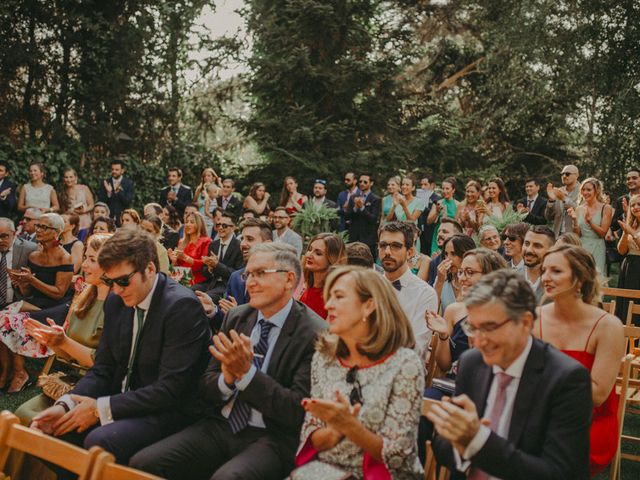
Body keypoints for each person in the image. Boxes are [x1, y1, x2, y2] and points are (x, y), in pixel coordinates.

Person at [130, 242, 326, 480]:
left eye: (260, 273)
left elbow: (296, 411)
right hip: (220, 423)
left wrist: (247, 375)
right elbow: (205, 383)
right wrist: (228, 379)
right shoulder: (238, 316)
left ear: (289, 280)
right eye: (248, 274)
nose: (249, 282)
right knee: (142, 463)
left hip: (272, 435)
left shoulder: (314, 333)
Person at [31, 228, 211, 466]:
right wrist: (67, 405)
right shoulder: (117, 300)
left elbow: (171, 389)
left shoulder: (181, 307)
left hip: (168, 409)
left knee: (99, 441)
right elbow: (103, 368)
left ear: (149, 268)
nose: (115, 290)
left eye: (123, 281)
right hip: (121, 399)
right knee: (51, 433)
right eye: (109, 281)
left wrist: (100, 408)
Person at [428, 269, 592, 479]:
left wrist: (478, 441)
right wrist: (457, 439)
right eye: (473, 328)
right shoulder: (472, 363)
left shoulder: (566, 379)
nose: (478, 341)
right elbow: (442, 446)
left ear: (524, 323)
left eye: (489, 328)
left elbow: (560, 473)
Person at [295, 266, 424, 479]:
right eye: (329, 297)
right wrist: (335, 429)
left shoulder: (404, 364)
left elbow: (400, 455)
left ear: (369, 306)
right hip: (325, 472)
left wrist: (350, 427)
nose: (328, 305)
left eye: (338, 297)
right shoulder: (324, 358)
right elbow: (310, 436)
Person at [537, 244, 624, 475]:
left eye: (556, 271)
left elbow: (596, 395)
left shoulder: (607, 326)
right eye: (544, 270)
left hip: (587, 424)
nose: (546, 277)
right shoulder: (534, 318)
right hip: (539, 415)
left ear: (580, 278)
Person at [419, 248, 508, 460]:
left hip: (487, 388)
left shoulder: (505, 313)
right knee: (420, 408)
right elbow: (443, 364)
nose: (463, 278)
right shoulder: (454, 310)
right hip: (451, 385)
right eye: (461, 273)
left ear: (489, 276)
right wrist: (442, 336)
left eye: (470, 273)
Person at [16, 234, 112, 423]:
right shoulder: (85, 296)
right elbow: (65, 355)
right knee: (21, 414)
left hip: (97, 390)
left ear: (111, 265)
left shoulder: (118, 306)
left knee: (36, 421)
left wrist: (64, 342)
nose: (83, 265)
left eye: (92, 259)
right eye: (85, 257)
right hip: (69, 382)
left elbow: (107, 365)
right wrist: (52, 341)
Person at [378, 222, 438, 356]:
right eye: (383, 245)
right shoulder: (368, 287)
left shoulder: (425, 294)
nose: (387, 252)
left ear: (410, 252)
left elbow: (416, 349)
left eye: (395, 246)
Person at [569, 177, 612, 274]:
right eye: (583, 190)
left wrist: (590, 222)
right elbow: (577, 234)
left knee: (596, 276)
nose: (585, 193)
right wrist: (574, 220)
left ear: (596, 191)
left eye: (588, 190)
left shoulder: (606, 208)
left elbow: (602, 234)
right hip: (582, 246)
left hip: (597, 247)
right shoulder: (579, 209)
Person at [300, 233, 347, 319]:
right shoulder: (307, 288)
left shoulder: (332, 296)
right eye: (310, 249)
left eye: (318, 253)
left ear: (332, 260)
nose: (309, 255)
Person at [198, 211, 243, 301]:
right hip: (211, 283)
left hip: (226, 285)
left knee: (202, 299)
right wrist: (209, 268)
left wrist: (217, 265)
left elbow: (237, 274)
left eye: (224, 226)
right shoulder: (213, 245)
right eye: (218, 225)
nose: (220, 228)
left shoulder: (239, 246)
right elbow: (204, 271)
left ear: (233, 228)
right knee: (189, 292)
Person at [433, 234, 476, 312]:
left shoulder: (477, 280)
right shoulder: (441, 280)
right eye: (446, 254)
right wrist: (439, 282)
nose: (448, 259)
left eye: (453, 254)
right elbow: (432, 310)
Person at [168, 211, 211, 286]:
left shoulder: (206, 241)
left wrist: (185, 258)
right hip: (180, 277)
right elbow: (177, 267)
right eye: (186, 222)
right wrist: (174, 261)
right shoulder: (181, 241)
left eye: (192, 222)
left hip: (197, 280)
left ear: (199, 224)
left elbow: (204, 264)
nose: (188, 224)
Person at [616, 193, 640, 324]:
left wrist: (633, 233)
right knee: (625, 303)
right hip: (628, 266)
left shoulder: (633, 230)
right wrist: (625, 233)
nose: (635, 207)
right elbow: (621, 250)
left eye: (639, 204)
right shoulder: (631, 225)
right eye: (633, 205)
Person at [345, 173, 381, 257]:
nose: (362, 184)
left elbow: (373, 219)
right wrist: (355, 208)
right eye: (360, 181)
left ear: (371, 183)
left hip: (368, 238)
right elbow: (347, 216)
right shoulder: (353, 197)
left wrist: (362, 208)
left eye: (365, 182)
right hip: (354, 237)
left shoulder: (375, 199)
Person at [387, 175, 426, 250]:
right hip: (398, 235)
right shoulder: (398, 199)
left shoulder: (419, 202)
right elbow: (388, 219)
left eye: (407, 185)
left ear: (413, 188)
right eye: (403, 184)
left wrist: (404, 206)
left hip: (411, 236)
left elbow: (412, 221)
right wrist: (394, 205)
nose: (404, 186)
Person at [523, 225, 556, 303]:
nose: (529, 250)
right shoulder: (509, 277)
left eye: (537, 246)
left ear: (551, 250)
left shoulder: (557, 282)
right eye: (526, 244)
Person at [545, 164, 581, 236]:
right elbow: (548, 217)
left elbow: (581, 213)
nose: (564, 176)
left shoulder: (583, 191)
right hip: (557, 236)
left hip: (574, 236)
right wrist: (551, 201)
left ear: (577, 175)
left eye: (567, 174)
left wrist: (564, 199)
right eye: (562, 174)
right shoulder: (558, 191)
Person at [427, 177, 459, 255]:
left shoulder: (458, 204)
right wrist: (437, 212)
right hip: (438, 237)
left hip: (452, 237)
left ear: (453, 190)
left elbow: (459, 224)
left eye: (447, 189)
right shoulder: (438, 203)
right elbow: (428, 221)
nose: (444, 191)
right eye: (443, 188)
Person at [98, 159, 134, 227]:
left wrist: (118, 192)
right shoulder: (106, 183)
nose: (114, 171)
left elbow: (128, 202)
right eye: (112, 169)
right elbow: (101, 202)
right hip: (108, 218)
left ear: (122, 171)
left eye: (117, 170)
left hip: (122, 218)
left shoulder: (129, 183)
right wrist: (109, 192)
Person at [427, 218, 463, 285]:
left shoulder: (466, 258)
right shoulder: (434, 262)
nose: (439, 234)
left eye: (445, 232)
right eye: (438, 232)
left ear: (458, 236)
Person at [611, 167, 640, 235]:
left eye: (634, 178)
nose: (630, 180)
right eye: (628, 179)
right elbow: (613, 226)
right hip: (626, 242)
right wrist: (625, 214)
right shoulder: (621, 200)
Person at [418, 175, 441, 255]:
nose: (423, 187)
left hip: (431, 232)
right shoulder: (419, 197)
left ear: (432, 185)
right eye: (421, 185)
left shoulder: (437, 198)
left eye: (425, 184)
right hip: (420, 232)